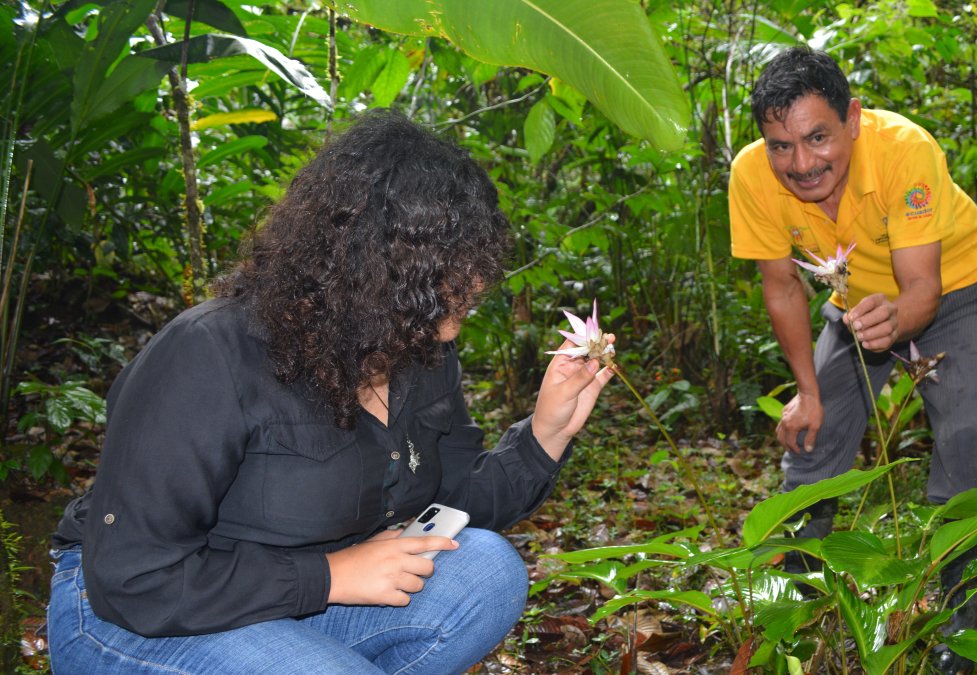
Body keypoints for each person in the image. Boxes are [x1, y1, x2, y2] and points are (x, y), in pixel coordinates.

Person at [47, 110, 614, 674]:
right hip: (132, 613)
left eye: (475, 257)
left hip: (297, 600)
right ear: (370, 260)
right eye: (448, 261)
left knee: (487, 570)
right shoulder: (210, 353)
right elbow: (132, 578)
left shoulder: (420, 351)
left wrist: (548, 431)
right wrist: (333, 575)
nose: (476, 281)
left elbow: (455, 502)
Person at [728, 46, 977, 673]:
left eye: (817, 137)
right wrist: (808, 391)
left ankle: (960, 627)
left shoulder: (903, 150)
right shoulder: (752, 176)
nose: (801, 164)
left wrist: (892, 325)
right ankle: (804, 611)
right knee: (814, 435)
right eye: (781, 145)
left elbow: (922, 292)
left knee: (963, 438)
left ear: (853, 118)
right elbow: (781, 288)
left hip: (958, 289)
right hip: (856, 303)